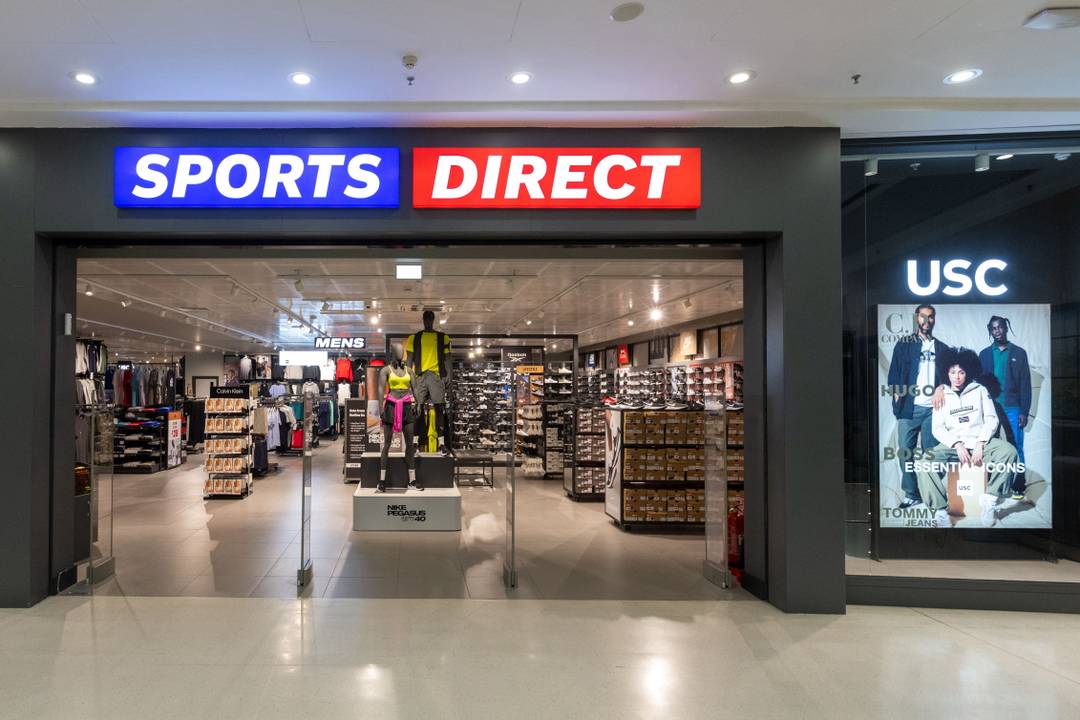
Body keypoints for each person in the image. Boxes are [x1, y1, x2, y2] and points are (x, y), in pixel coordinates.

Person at [916, 348, 1019, 528]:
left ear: (968, 372)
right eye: (953, 372)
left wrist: (981, 442)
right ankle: (941, 511)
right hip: (953, 446)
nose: (957, 377)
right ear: (946, 372)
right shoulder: (941, 395)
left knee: (1009, 452)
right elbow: (937, 429)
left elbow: (991, 419)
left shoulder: (980, 390)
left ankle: (990, 500)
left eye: (961, 372)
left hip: (979, 443)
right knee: (924, 461)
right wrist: (956, 444)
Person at [886, 304, 952, 508]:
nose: (927, 321)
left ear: (934, 320)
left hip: (934, 412)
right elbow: (894, 374)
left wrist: (941, 386)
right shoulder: (904, 344)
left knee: (931, 454)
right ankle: (912, 494)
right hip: (909, 409)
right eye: (923, 317)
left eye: (931, 317)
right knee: (905, 452)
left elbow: (950, 377)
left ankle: (930, 492)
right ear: (917, 318)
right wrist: (897, 395)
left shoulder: (941, 348)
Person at [979, 315, 1032, 499]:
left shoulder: (1019, 353)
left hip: (1012, 407)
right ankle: (993, 485)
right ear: (990, 331)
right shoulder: (984, 354)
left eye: (1000, 327)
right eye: (993, 328)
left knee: (1016, 446)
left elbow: (1025, 384)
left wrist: (1024, 411)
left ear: (1006, 328)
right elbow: (979, 384)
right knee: (990, 447)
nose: (997, 331)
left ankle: (1018, 485)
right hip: (990, 409)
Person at [404, 310, 452, 454]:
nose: (428, 321)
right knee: (417, 409)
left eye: (430, 318)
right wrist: (407, 376)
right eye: (426, 318)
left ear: (433, 320)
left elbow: (448, 357)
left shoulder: (443, 337)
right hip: (420, 376)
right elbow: (409, 359)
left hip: (436, 376)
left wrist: (449, 373)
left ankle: (441, 444)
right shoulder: (415, 337)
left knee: (439, 409)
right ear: (423, 320)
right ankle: (414, 444)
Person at [377, 355, 419, 492]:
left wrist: (418, 403)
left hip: (407, 407)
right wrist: (380, 407)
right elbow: (380, 389)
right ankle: (381, 481)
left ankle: (412, 480)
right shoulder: (386, 370)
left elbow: (415, 388)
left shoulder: (409, 371)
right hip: (391, 406)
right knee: (387, 444)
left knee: (410, 444)